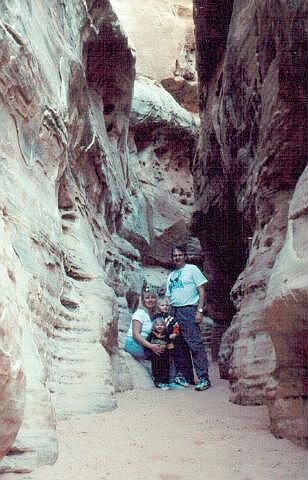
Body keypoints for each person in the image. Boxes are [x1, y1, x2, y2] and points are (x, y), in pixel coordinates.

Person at [166, 244, 211, 391]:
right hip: (174, 311)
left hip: (189, 310)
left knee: (194, 344)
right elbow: (168, 296)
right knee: (180, 345)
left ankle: (204, 378)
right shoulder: (171, 276)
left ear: (185, 256)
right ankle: (188, 377)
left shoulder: (192, 269)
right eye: (174, 255)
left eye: (179, 255)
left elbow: (201, 290)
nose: (177, 257)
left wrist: (200, 310)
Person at [124, 286, 163, 361]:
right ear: (143, 300)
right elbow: (136, 335)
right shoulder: (140, 313)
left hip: (145, 344)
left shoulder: (154, 315)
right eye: (147, 298)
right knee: (162, 354)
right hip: (133, 344)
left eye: (153, 297)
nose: (150, 300)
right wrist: (151, 346)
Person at [147, 318, 171, 389]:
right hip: (155, 356)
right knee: (156, 368)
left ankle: (165, 382)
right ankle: (157, 382)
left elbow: (170, 344)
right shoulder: (152, 334)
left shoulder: (166, 335)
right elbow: (147, 343)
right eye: (157, 325)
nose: (159, 326)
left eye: (162, 325)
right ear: (154, 326)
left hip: (165, 356)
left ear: (165, 326)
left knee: (165, 368)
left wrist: (171, 352)